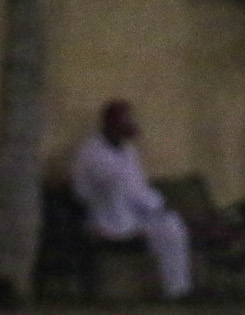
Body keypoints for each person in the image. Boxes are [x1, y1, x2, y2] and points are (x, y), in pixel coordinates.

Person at [69, 100, 193, 301]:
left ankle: (177, 291)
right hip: (104, 217)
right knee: (116, 184)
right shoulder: (91, 151)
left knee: (171, 225)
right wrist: (154, 204)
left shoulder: (128, 151)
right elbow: (89, 191)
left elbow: (139, 187)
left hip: (135, 215)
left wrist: (159, 205)